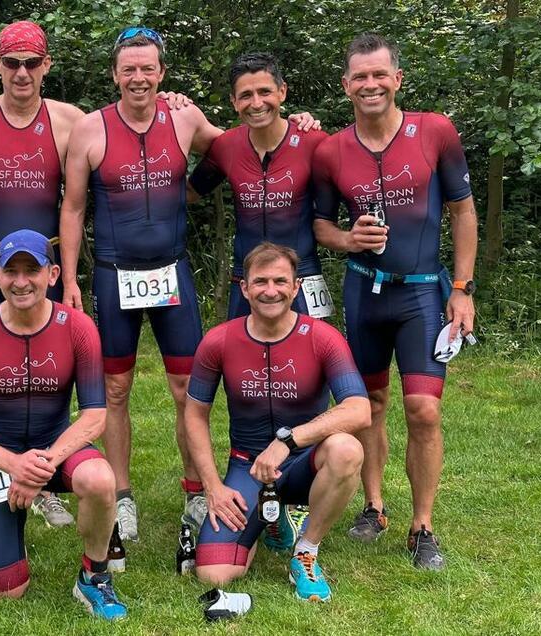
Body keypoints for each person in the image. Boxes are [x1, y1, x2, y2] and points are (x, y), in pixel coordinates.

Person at [0, 22, 193, 528]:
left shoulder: (73, 121)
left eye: (32, 62)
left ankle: (47, 479)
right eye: (12, 63)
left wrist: (172, 103)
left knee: (48, 376)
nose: (22, 73)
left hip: (45, 267)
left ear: (47, 65)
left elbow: (102, 167)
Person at [60, 27, 317, 542]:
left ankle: (197, 491)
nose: (138, 77)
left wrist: (299, 125)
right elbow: (73, 207)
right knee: (115, 388)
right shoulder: (89, 130)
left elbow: (247, 141)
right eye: (128, 68)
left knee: (187, 389)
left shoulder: (185, 118)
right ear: (115, 74)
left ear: (162, 73)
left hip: (172, 272)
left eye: (147, 68)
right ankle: (122, 497)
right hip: (115, 275)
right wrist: (69, 278)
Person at [312, 33, 477, 570]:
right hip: (364, 291)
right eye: (360, 76)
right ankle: (374, 506)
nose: (370, 84)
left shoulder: (434, 132)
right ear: (346, 86)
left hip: (424, 292)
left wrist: (461, 288)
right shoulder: (332, 149)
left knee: (424, 410)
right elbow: (320, 224)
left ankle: (423, 525)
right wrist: (346, 239)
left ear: (397, 79)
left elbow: (463, 212)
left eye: (379, 74)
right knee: (370, 408)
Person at [0, 229, 127, 620]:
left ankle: (93, 577)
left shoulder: (77, 328)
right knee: (7, 591)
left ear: (53, 274)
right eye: (11, 271)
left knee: (100, 480)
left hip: (57, 448)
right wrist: (13, 465)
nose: (21, 281)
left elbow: (94, 415)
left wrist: (40, 467)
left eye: (32, 270)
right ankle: (8, 534)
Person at [184, 242, 370, 602]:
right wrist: (212, 487)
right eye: (261, 281)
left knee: (347, 448)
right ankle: (274, 520)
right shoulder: (218, 341)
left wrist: (287, 441)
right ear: (245, 288)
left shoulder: (322, 338)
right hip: (247, 468)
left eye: (281, 281)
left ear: (297, 287)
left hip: (305, 463)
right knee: (215, 573)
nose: (271, 291)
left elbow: (359, 410)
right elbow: (194, 414)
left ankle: (306, 551)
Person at [190, 52, 331, 321]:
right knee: (241, 358)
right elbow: (189, 193)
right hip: (246, 278)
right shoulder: (226, 146)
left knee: (312, 358)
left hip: (303, 276)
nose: (256, 103)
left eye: (265, 92)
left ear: (282, 92)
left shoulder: (314, 142)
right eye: (245, 95)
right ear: (233, 101)